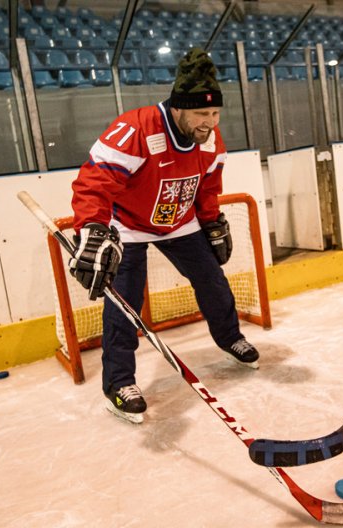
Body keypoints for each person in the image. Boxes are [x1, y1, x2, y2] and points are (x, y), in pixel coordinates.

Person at [68, 48, 260, 424]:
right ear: (177, 108)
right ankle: (119, 385)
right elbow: (94, 182)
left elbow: (207, 186)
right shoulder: (136, 129)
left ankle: (229, 337)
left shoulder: (210, 140)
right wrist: (92, 228)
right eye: (201, 114)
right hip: (129, 225)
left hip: (180, 222)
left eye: (215, 113)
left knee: (212, 281)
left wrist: (211, 221)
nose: (210, 122)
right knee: (125, 304)